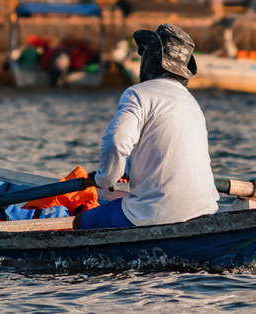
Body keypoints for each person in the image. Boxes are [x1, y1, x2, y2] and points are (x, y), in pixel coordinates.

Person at [75, 23, 219, 230]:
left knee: (78, 222)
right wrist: (129, 170)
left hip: (154, 216)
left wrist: (104, 179)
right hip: (205, 212)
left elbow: (116, 143)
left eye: (143, 53)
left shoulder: (137, 94)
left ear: (152, 59)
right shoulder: (191, 102)